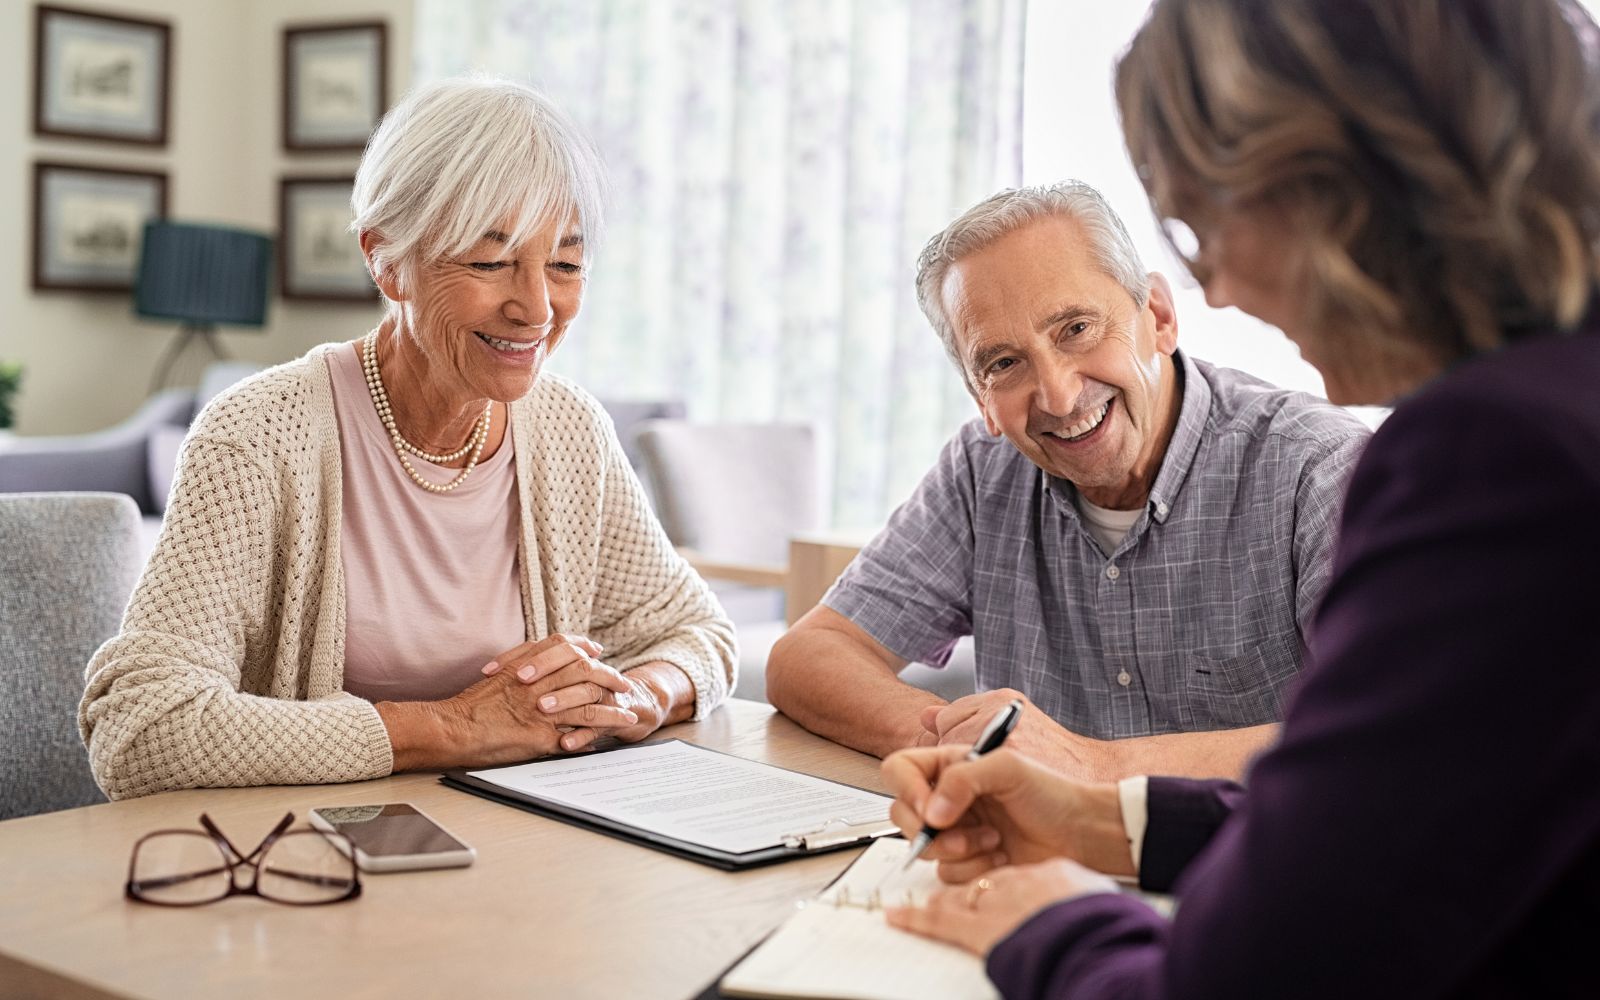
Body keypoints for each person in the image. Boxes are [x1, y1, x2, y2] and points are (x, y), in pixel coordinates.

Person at [880, 0, 1600, 994]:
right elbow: (1392, 809)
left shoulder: (1497, 456)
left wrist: (1053, 924)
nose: (1214, 286)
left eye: (1201, 220)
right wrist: (1102, 820)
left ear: (1334, 182)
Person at [80, 78, 736, 800]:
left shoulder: (570, 429)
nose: (537, 308)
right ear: (387, 260)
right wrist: (456, 728)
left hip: (531, 852)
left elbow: (698, 635)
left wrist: (634, 699)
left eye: (566, 264)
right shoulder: (256, 436)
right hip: (314, 859)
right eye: (491, 262)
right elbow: (141, 730)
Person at [767, 182, 1369, 782]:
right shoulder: (983, 472)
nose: (1057, 394)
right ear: (982, 398)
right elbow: (807, 656)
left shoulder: (1320, 470)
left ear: (1157, 318)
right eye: (1004, 363)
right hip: (1033, 871)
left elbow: (1392, 732)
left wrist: (1090, 766)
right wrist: (970, 744)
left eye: (1076, 328)